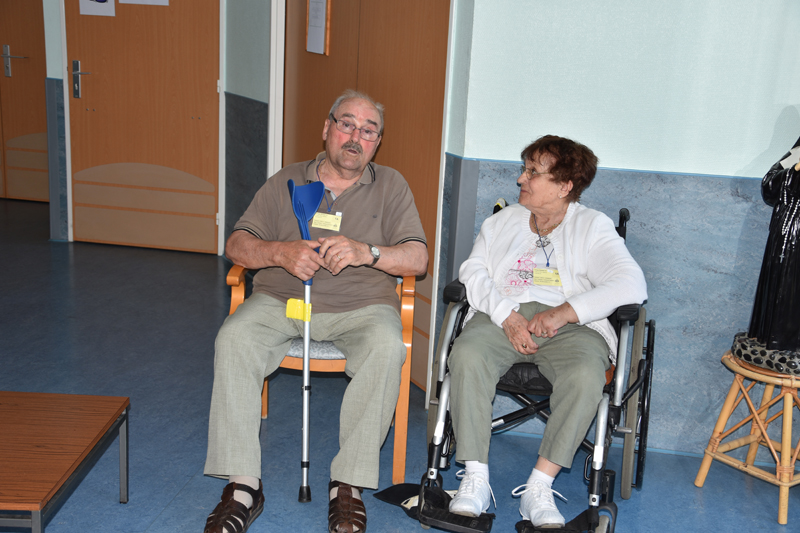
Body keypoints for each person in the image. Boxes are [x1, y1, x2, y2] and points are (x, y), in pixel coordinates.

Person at [203, 90, 428, 533]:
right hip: (283, 302)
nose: (356, 137)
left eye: (369, 131)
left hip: (362, 308)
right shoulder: (287, 180)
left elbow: (417, 258)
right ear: (327, 128)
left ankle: (348, 484)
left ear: (377, 142)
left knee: (387, 347)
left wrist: (368, 252)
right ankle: (243, 484)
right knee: (234, 337)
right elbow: (236, 245)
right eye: (347, 124)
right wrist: (280, 252)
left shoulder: (391, 185)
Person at [445, 135, 647, 527]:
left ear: (564, 186)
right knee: (466, 354)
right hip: (503, 315)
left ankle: (539, 486)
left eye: (533, 172)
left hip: (571, 326)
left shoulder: (592, 226)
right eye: (524, 169)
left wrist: (566, 312)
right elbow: (472, 271)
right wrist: (506, 314)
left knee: (586, 374)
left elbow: (631, 283)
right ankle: (475, 477)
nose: (521, 178)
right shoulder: (502, 221)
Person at [747, 134, 800, 353]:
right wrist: (795, 169)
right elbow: (768, 186)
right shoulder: (796, 154)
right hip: (789, 233)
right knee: (784, 285)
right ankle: (780, 340)